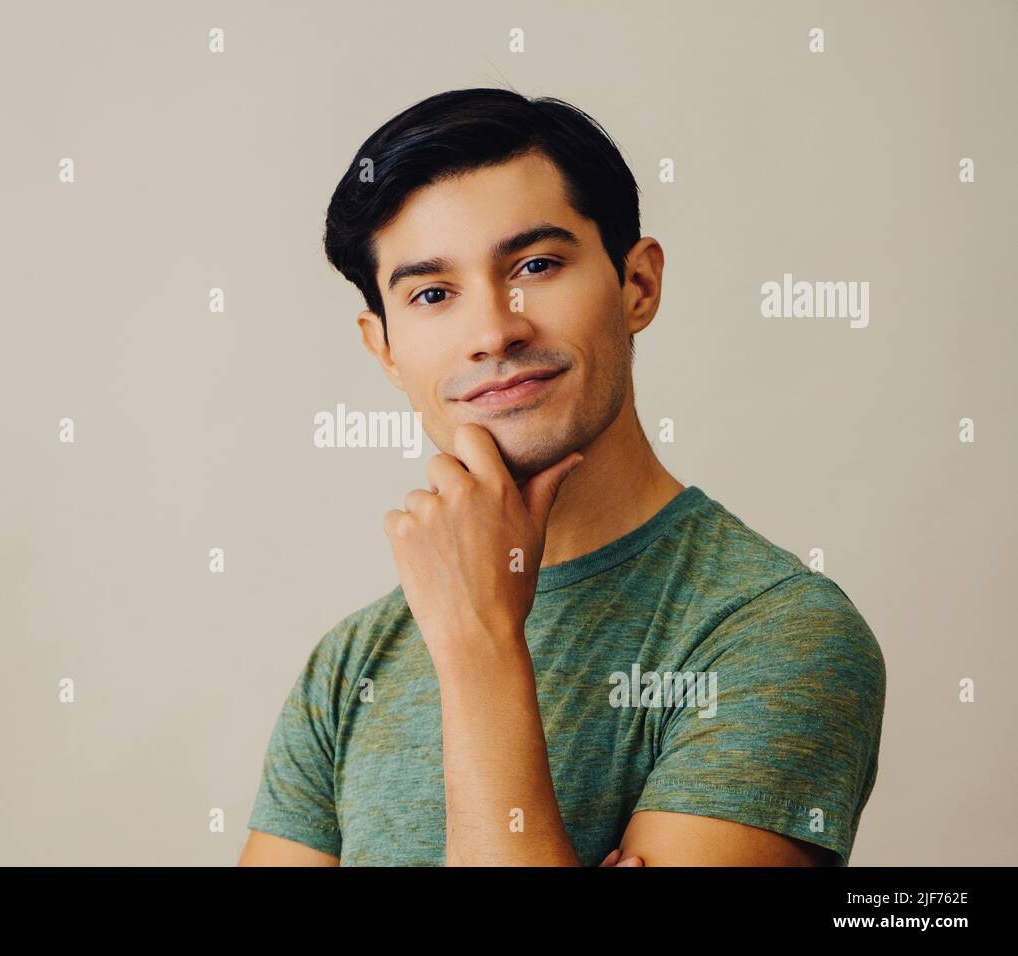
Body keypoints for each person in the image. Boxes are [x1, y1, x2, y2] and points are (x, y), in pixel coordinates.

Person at [239, 88, 885, 867]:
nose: (493, 331)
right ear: (383, 349)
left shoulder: (773, 633)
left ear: (636, 285)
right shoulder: (350, 666)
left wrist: (478, 644)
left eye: (536, 265)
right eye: (434, 294)